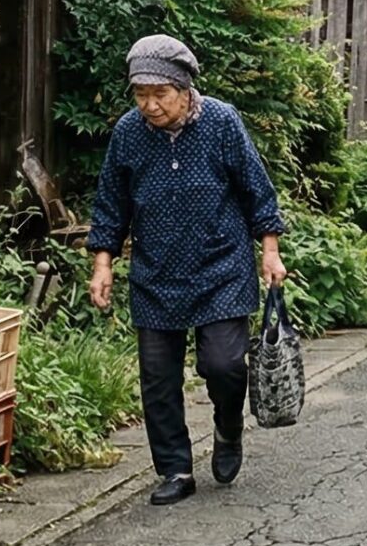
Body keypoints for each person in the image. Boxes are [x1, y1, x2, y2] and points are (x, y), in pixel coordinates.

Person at [87, 34, 289, 506]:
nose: (150, 106)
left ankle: (227, 425)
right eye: (141, 95)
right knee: (158, 376)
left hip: (221, 266)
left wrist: (270, 249)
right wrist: (103, 263)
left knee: (222, 365)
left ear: (184, 88)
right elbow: (111, 204)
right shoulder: (128, 134)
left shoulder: (221, 122)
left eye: (160, 95)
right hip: (156, 271)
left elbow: (257, 189)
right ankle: (175, 467)